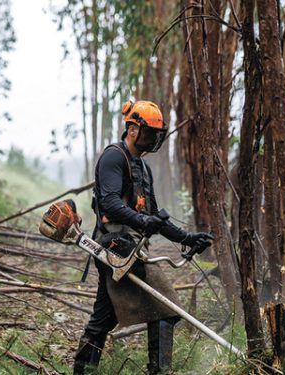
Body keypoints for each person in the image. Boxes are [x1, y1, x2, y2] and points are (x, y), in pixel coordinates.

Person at [73, 100, 214, 374]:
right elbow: (111, 203)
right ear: (134, 129)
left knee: (104, 316)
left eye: (157, 135)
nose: (153, 139)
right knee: (166, 304)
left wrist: (187, 238)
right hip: (114, 246)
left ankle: (84, 370)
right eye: (150, 133)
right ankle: (158, 371)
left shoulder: (143, 168)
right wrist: (143, 221)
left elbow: (154, 217)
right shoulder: (114, 157)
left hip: (132, 249)